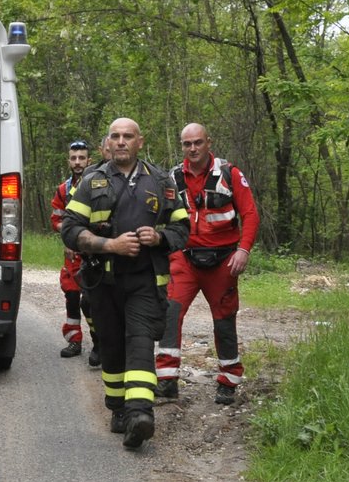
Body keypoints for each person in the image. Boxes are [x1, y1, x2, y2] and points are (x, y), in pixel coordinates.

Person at [60, 118, 190, 449]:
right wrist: (109, 245)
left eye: (128, 136)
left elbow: (183, 229)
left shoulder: (162, 181)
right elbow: (70, 228)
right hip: (102, 282)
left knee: (141, 342)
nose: (121, 142)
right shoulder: (92, 181)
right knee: (113, 346)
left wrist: (159, 237)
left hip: (145, 279)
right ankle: (117, 409)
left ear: (139, 142)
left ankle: (140, 415)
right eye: (115, 136)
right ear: (108, 142)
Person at [154, 122, 260, 405]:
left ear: (208, 142)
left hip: (223, 261)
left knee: (224, 320)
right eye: (187, 144)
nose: (193, 149)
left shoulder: (229, 174)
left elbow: (250, 214)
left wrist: (244, 250)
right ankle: (166, 381)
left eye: (197, 143)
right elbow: (157, 215)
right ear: (181, 145)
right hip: (184, 259)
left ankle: (228, 380)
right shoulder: (172, 178)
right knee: (169, 314)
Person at [50, 140, 98, 363]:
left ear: (90, 160)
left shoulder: (99, 184)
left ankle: (99, 343)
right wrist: (69, 237)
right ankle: (74, 340)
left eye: (82, 158)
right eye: (73, 158)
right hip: (72, 255)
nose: (78, 162)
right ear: (68, 160)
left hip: (94, 252)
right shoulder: (64, 188)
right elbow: (56, 219)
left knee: (90, 300)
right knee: (70, 295)